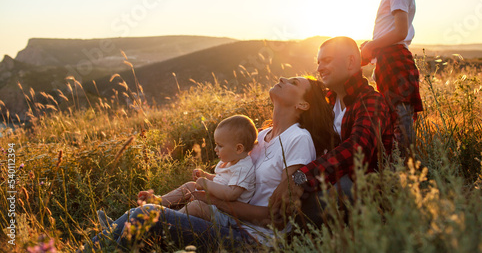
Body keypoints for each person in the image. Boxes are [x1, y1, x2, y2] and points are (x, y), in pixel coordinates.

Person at [86, 75, 336, 252]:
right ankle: (118, 236)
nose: (282, 78)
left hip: (255, 241)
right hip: (236, 222)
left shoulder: (299, 139)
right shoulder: (261, 137)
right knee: (188, 202)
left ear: (303, 104)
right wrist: (210, 187)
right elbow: (241, 179)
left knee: (145, 215)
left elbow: (277, 217)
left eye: (293, 82)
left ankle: (111, 238)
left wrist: (217, 201)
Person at [269, 37, 394, 226]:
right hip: (328, 178)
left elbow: (356, 150)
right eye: (318, 62)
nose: (319, 68)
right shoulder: (328, 101)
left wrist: (300, 178)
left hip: (362, 186)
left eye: (327, 61)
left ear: (351, 62)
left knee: (307, 203)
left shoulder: (371, 101)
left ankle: (277, 232)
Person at [103, 115, 257, 228]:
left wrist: (205, 184)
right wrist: (207, 176)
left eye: (220, 146)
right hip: (218, 205)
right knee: (190, 186)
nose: (215, 149)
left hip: (227, 216)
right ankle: (158, 202)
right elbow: (221, 180)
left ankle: (165, 222)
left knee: (196, 206)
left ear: (238, 148)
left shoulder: (244, 167)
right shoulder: (231, 161)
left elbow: (231, 193)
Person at [359, 0, 423, 154]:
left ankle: (404, 160)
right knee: (393, 111)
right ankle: (394, 156)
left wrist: (372, 45)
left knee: (400, 111)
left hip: (395, 58)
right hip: (388, 58)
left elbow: (400, 31)